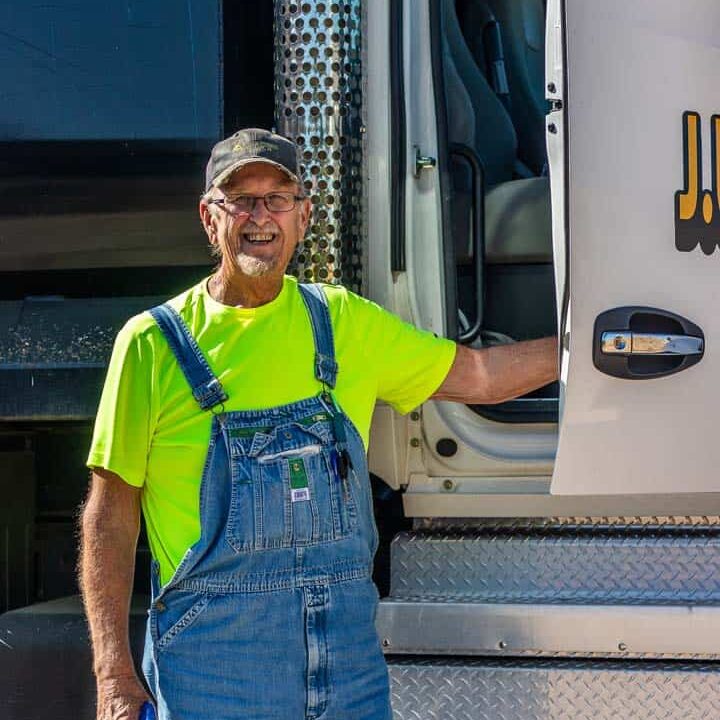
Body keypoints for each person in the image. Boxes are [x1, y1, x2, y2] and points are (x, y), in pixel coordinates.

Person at [80, 128, 558, 720]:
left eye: (278, 199)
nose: (261, 217)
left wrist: (583, 349)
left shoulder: (342, 321)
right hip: (212, 672)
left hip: (345, 665)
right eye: (242, 200)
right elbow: (110, 516)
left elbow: (480, 375)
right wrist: (113, 675)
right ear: (210, 217)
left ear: (303, 217)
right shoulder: (154, 343)